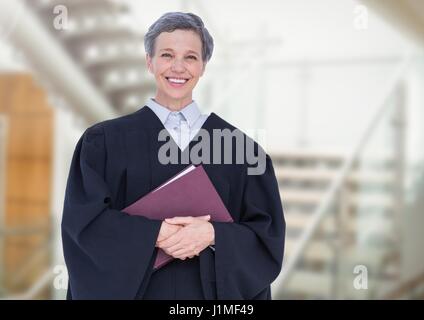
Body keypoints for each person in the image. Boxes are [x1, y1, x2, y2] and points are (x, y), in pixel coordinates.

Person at [61, 11, 285, 300]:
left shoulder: (242, 150)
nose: (178, 67)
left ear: (204, 65)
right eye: (167, 55)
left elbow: (266, 238)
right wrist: (155, 233)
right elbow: (84, 226)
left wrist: (213, 235)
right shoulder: (102, 142)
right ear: (149, 62)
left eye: (191, 57)